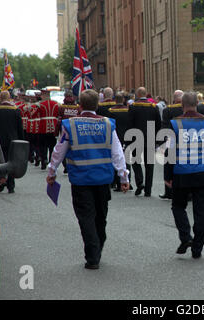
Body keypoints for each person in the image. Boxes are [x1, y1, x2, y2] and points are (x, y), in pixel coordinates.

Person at [46, 89, 129, 270]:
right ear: (97, 105)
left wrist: (51, 172)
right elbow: (117, 153)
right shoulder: (108, 124)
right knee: (101, 217)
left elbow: (58, 151)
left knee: (86, 217)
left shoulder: (71, 125)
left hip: (81, 180)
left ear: (80, 106)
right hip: (102, 179)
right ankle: (97, 246)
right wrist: (123, 176)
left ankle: (93, 255)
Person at [166, 91, 204, 259]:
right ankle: (198, 247)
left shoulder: (174, 124)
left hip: (182, 172)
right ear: (197, 104)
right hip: (203, 171)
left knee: (178, 206)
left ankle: (186, 237)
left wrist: (168, 175)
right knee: (201, 210)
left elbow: (170, 152)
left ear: (182, 105)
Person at [127, 87, 161, 197]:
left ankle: (140, 182)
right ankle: (148, 190)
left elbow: (130, 123)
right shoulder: (153, 107)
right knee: (149, 165)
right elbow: (158, 124)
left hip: (136, 138)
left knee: (136, 162)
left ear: (137, 94)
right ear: (146, 94)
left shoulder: (133, 107)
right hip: (150, 138)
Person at [0, 91, 24, 193]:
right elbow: (20, 128)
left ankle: (0, 182)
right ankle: (11, 185)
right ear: (9, 98)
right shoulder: (15, 110)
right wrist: (21, 140)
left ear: (0, 98)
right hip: (12, 140)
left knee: (0, 161)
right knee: (11, 162)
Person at [103, 93, 132, 192]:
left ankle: (116, 182)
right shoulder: (128, 110)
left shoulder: (111, 111)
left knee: (115, 158)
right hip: (127, 135)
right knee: (126, 159)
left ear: (115, 100)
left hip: (116, 135)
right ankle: (128, 180)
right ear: (123, 100)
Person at [159, 90, 184, 200]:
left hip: (171, 140)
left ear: (174, 99)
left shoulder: (168, 110)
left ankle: (168, 191)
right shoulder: (186, 109)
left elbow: (164, 127)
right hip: (186, 139)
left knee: (169, 163)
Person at [55, 90, 80, 174]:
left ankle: (65, 166)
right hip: (75, 131)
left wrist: (56, 132)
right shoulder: (77, 107)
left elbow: (58, 121)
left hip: (64, 132)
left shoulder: (61, 107)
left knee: (63, 149)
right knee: (73, 148)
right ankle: (73, 165)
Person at [37, 90, 59, 169]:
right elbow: (57, 114)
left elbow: (36, 114)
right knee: (52, 146)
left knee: (43, 145)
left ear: (44, 96)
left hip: (43, 126)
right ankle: (51, 161)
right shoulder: (56, 103)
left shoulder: (40, 104)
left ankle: (44, 160)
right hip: (53, 126)